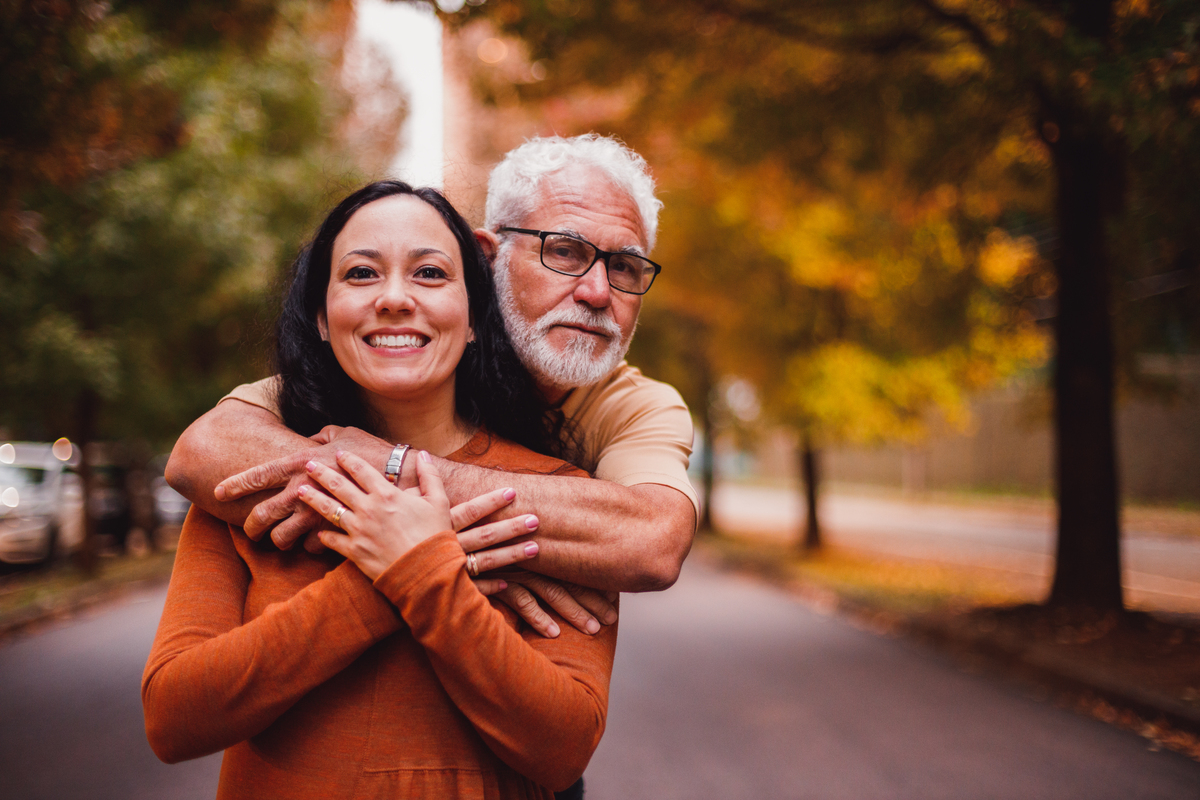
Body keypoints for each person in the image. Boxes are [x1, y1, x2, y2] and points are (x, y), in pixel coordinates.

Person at [143, 181, 617, 799]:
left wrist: (423, 569)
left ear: (476, 316)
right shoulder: (257, 489)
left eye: (429, 273)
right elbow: (174, 718)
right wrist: (392, 573)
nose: (394, 298)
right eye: (362, 273)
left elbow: (562, 749)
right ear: (321, 315)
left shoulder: (553, 499)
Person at [165, 134, 697, 638]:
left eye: (625, 266)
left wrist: (385, 465)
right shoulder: (413, 351)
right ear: (487, 258)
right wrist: (483, 555)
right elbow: (203, 452)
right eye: (564, 252)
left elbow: (652, 541)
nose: (598, 291)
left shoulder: (636, 404)